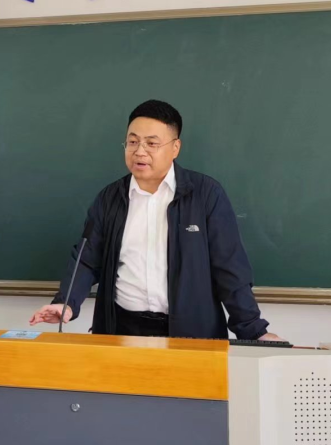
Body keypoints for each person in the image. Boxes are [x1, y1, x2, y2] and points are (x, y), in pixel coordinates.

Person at [29, 100, 284, 341]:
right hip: (120, 330)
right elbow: (86, 259)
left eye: (152, 143)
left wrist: (254, 330)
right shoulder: (110, 198)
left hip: (191, 333)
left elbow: (229, 267)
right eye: (132, 142)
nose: (140, 151)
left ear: (175, 148)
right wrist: (65, 303)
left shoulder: (205, 194)